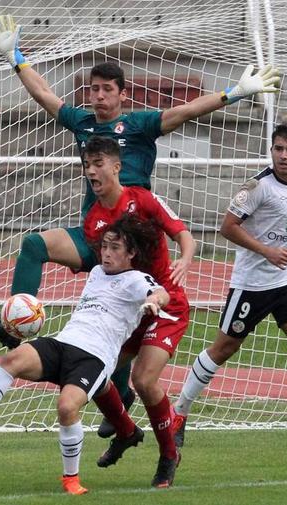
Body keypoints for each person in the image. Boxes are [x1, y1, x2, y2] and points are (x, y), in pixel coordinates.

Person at [0, 13, 279, 430]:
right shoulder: (82, 123)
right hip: (94, 233)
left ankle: (120, 400)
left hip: (134, 243)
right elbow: (46, 96)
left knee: (120, 324)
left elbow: (186, 111)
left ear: (122, 94)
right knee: (34, 245)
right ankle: (16, 322)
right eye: (93, 89)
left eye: (106, 89)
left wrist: (235, 93)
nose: (98, 96)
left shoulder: (137, 125)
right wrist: (16, 57)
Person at [0, 213, 170, 495]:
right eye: (104, 246)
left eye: (115, 248)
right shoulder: (96, 273)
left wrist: (153, 301)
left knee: (67, 407)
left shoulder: (135, 279)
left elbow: (160, 293)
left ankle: (71, 480)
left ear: (131, 253)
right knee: (12, 360)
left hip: (93, 358)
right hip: (64, 342)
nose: (106, 253)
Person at [171, 123, 287, 447]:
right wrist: (266, 251)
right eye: (278, 149)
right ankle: (179, 411)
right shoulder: (256, 187)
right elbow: (227, 227)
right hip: (251, 285)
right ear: (271, 151)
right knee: (223, 349)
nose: (283, 156)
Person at [81, 136, 194, 487]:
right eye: (87, 165)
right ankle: (127, 432)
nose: (91, 171)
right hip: (133, 310)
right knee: (94, 373)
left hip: (167, 302)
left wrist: (185, 259)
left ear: (117, 166)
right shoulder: (94, 222)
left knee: (144, 379)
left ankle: (168, 456)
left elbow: (182, 233)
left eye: (98, 164)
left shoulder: (142, 199)